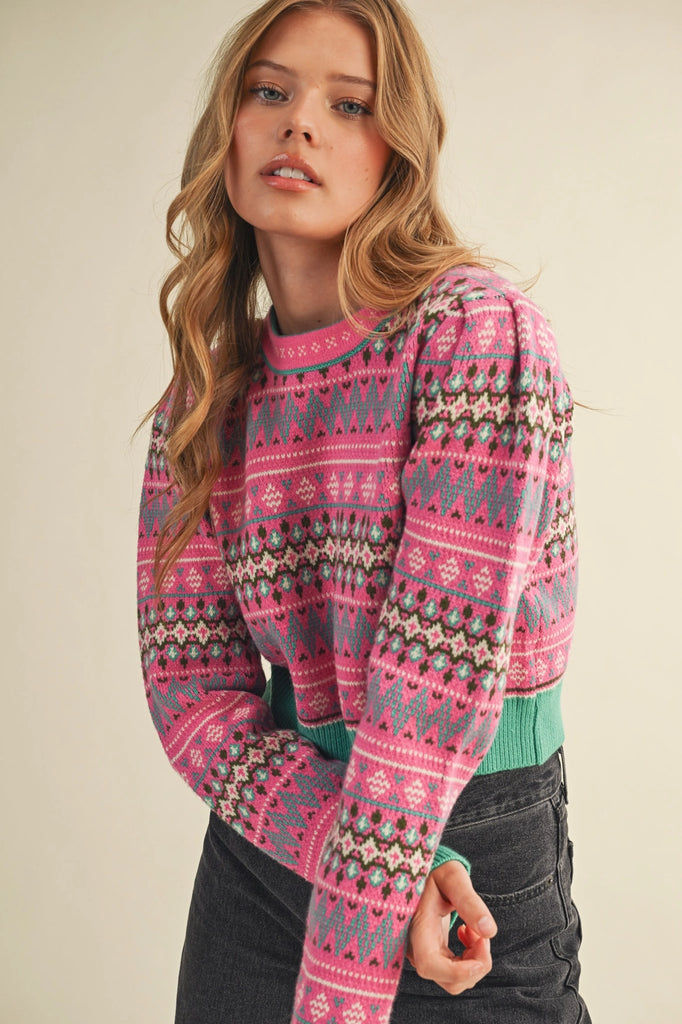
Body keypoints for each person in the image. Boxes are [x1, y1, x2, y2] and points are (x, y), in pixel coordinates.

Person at [137, 1, 590, 1022]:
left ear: (399, 154)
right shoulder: (206, 398)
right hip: (275, 835)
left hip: (468, 825)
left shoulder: (475, 337)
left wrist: (361, 932)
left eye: (349, 105)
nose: (298, 121)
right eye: (269, 91)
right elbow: (192, 693)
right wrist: (339, 845)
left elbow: (434, 685)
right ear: (227, 131)